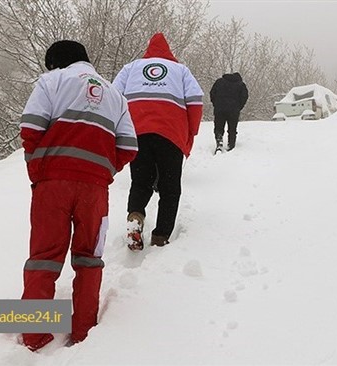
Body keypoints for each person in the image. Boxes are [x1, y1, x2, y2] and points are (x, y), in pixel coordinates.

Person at [19, 40, 138, 351]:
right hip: (95, 191)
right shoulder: (116, 95)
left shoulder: (52, 81)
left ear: (58, 62)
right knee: (88, 258)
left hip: (52, 185)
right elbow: (128, 147)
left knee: (44, 257)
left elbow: (30, 129)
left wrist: (38, 170)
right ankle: (83, 332)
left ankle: (34, 336)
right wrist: (103, 171)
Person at [112, 33, 203, 251]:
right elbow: (195, 101)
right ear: (169, 52)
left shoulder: (131, 68)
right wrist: (191, 132)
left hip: (138, 133)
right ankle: (161, 235)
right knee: (170, 186)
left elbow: (113, 97)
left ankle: (135, 216)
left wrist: (118, 131)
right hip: (170, 135)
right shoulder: (180, 71)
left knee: (141, 181)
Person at [209, 72, 248, 151]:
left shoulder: (219, 82)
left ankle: (219, 142)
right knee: (232, 129)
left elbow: (212, 93)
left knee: (219, 127)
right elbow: (244, 96)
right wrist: (239, 107)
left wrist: (216, 104)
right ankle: (231, 145)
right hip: (234, 110)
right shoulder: (241, 85)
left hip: (220, 109)